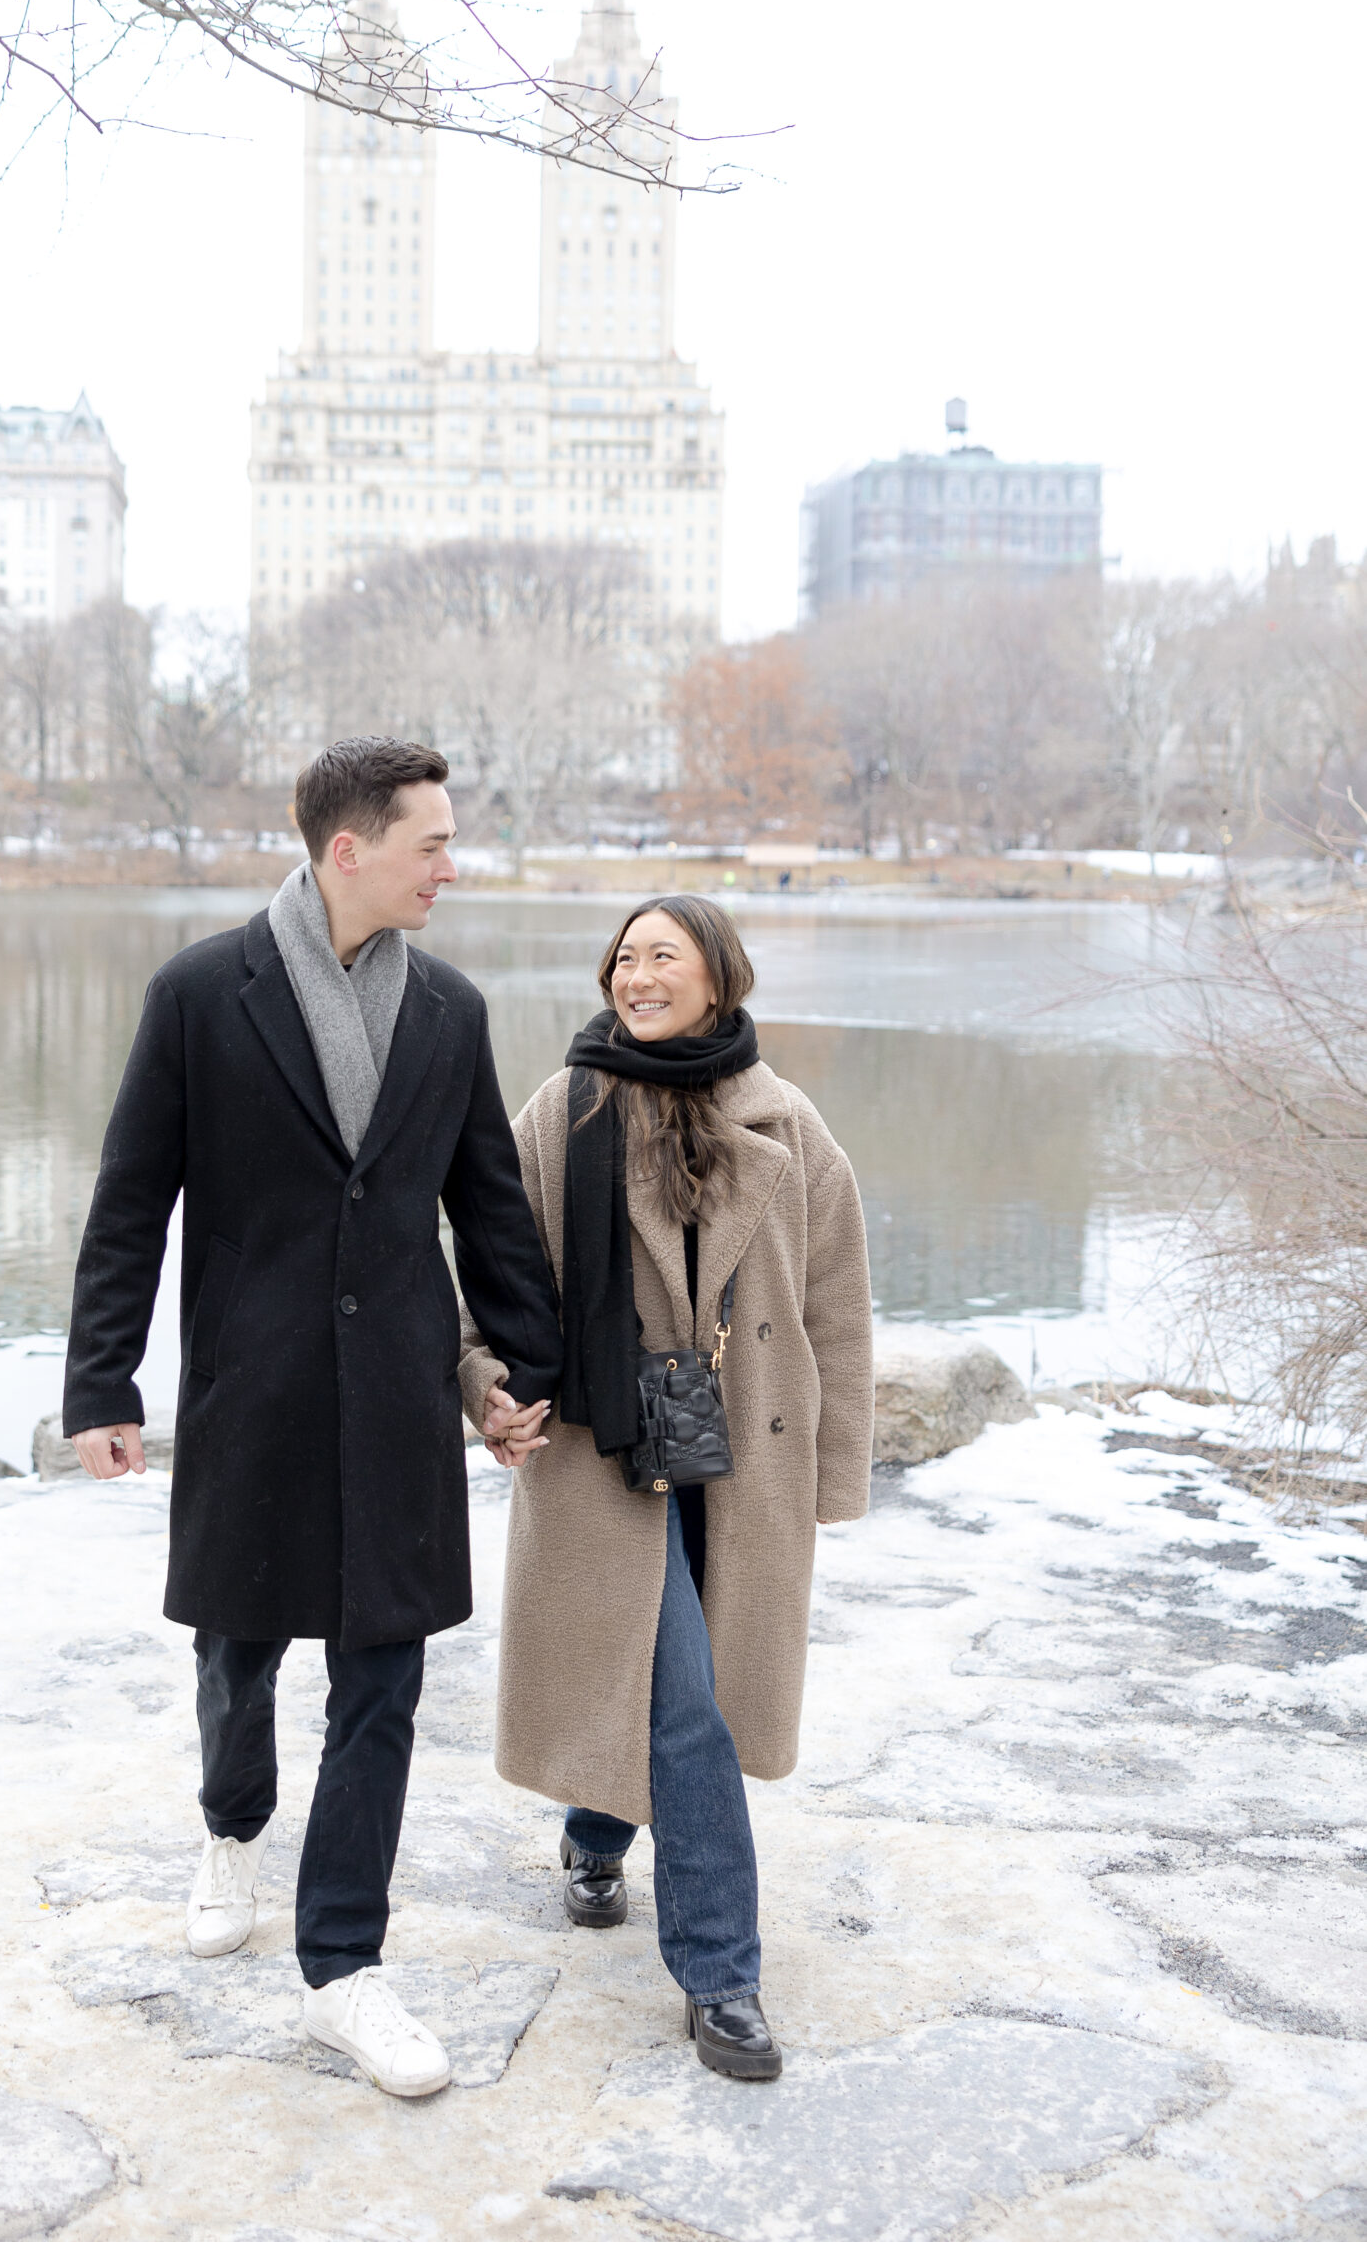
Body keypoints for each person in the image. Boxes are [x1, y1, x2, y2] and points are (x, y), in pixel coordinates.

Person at [62, 737, 563, 2098]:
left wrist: (525, 1365)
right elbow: (130, 1201)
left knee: (383, 1682)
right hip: (252, 1388)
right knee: (239, 1650)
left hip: (398, 1394)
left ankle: (343, 1964)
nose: (450, 866)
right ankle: (230, 1825)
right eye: (431, 845)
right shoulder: (196, 995)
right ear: (348, 849)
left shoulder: (448, 1010)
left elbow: (489, 1208)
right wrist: (102, 1382)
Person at [460, 895, 873, 2080]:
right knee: (683, 1697)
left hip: (741, 1454)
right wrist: (484, 1382)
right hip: (601, 1449)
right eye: (624, 959)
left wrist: (831, 1474)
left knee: (664, 1671)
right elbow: (495, 1271)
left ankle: (596, 1833)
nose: (637, 977)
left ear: (717, 979)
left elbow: (836, 1307)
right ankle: (722, 1973)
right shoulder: (564, 1108)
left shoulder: (788, 1124)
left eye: (663, 958)